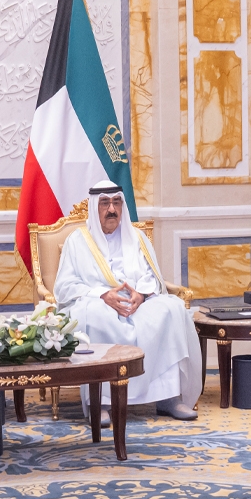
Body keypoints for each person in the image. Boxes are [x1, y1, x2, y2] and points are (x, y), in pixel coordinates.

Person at [54, 178, 201, 421]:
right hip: (98, 301)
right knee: (93, 315)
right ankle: (100, 403)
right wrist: (102, 294)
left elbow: (152, 276)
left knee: (171, 309)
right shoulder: (77, 241)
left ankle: (168, 397)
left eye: (116, 202)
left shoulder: (138, 237)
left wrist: (140, 295)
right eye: (104, 203)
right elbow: (65, 286)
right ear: (94, 207)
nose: (111, 209)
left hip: (136, 302)